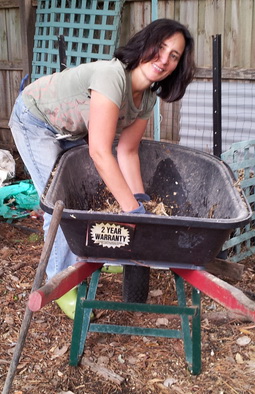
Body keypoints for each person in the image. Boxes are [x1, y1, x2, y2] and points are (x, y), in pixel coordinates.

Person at [9, 18, 195, 318]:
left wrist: (140, 202)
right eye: (160, 48)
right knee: (58, 202)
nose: (164, 60)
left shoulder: (146, 97)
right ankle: (61, 284)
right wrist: (132, 212)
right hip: (36, 120)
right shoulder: (113, 77)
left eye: (174, 56)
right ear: (146, 44)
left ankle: (96, 250)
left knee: (99, 188)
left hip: (70, 130)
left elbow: (128, 150)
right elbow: (99, 151)